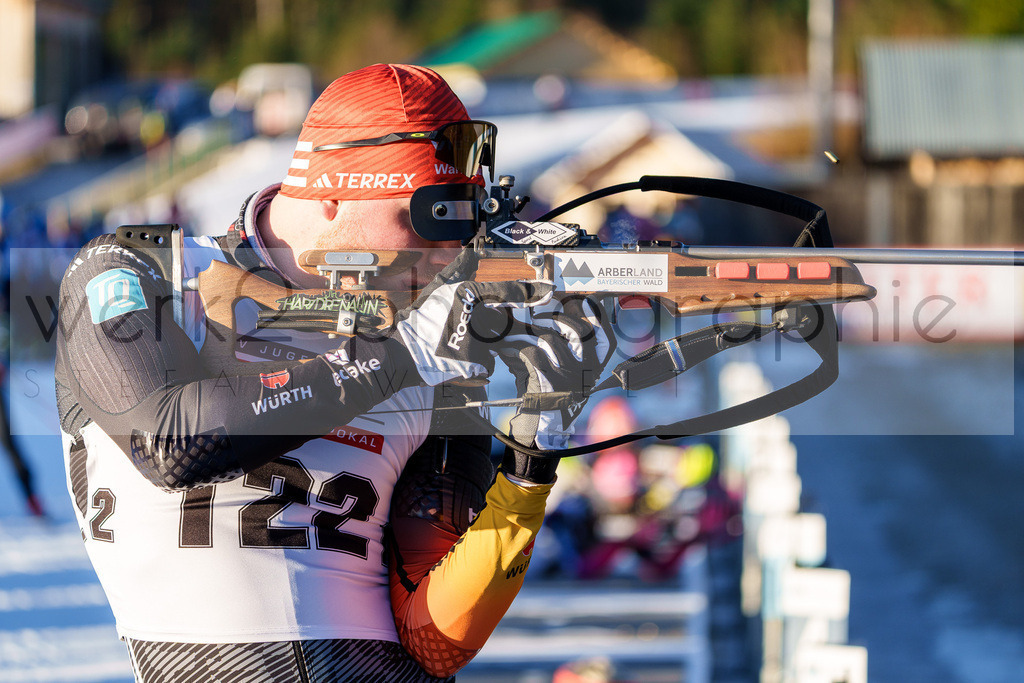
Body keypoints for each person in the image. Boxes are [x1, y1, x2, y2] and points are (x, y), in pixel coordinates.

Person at [54, 64, 614, 681]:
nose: (441, 256)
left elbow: (434, 642)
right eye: (419, 221)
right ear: (330, 193)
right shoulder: (141, 270)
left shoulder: (435, 344)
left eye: (458, 228)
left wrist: (532, 461)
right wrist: (398, 358)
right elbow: (170, 440)